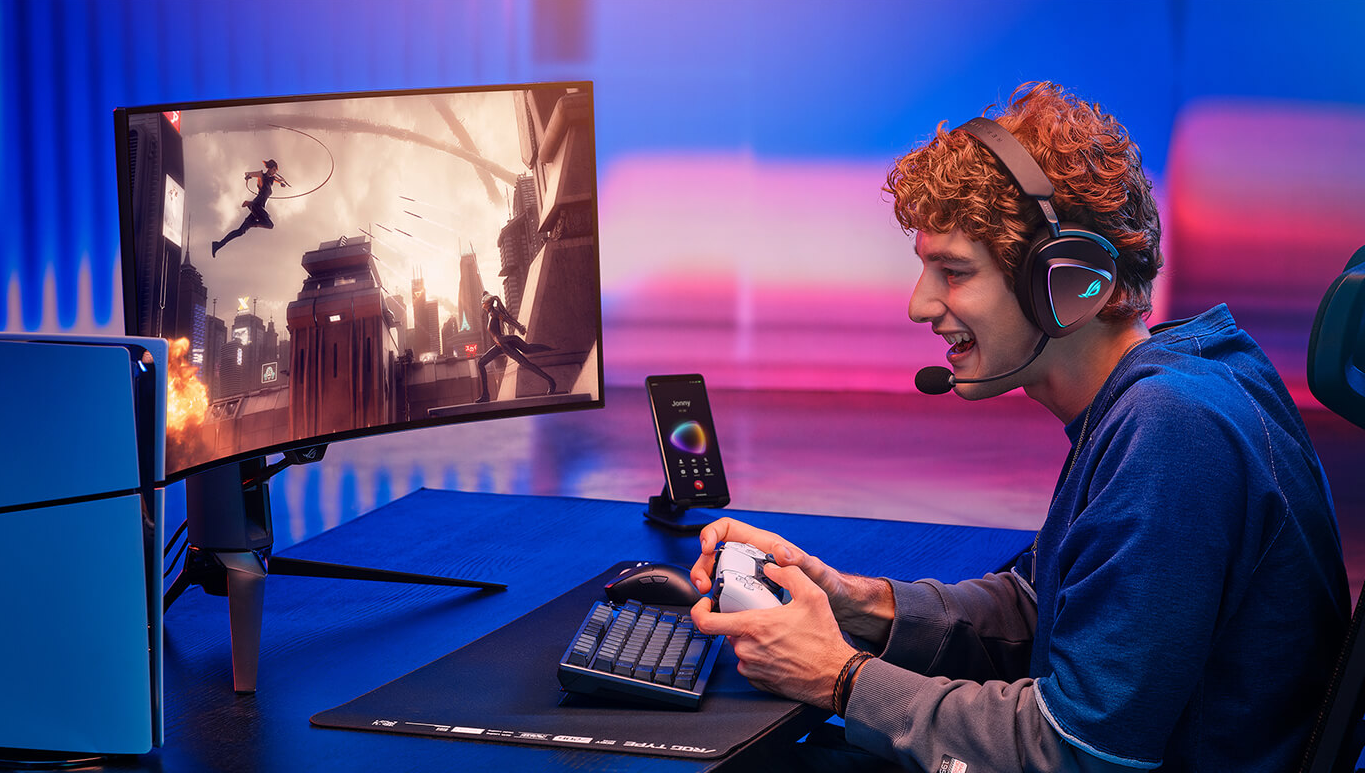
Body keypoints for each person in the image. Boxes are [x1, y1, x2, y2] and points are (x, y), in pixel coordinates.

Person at [688, 81, 1349, 772]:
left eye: (954, 271)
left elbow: (1078, 752)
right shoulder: (1171, 386)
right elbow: (1045, 602)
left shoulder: (1173, 430)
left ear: (1067, 284)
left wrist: (839, 677)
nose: (921, 305)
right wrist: (856, 603)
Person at [474, 292, 557, 403]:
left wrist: (519, 327)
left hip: (504, 343)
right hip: (499, 345)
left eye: (483, 303)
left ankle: (551, 380)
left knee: (526, 359)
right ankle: (485, 395)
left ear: (486, 304)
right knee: (481, 363)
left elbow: (508, 320)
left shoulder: (494, 312)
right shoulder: (490, 314)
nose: (482, 305)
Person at [212, 159, 286, 256]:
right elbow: (248, 173)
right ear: (270, 168)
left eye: (276, 171)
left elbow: (277, 179)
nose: (275, 172)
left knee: (240, 232)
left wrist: (281, 182)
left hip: (258, 210)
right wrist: (248, 176)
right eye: (274, 169)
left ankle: (217, 245)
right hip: (257, 205)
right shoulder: (261, 176)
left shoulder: (272, 179)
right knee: (270, 224)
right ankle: (250, 204)